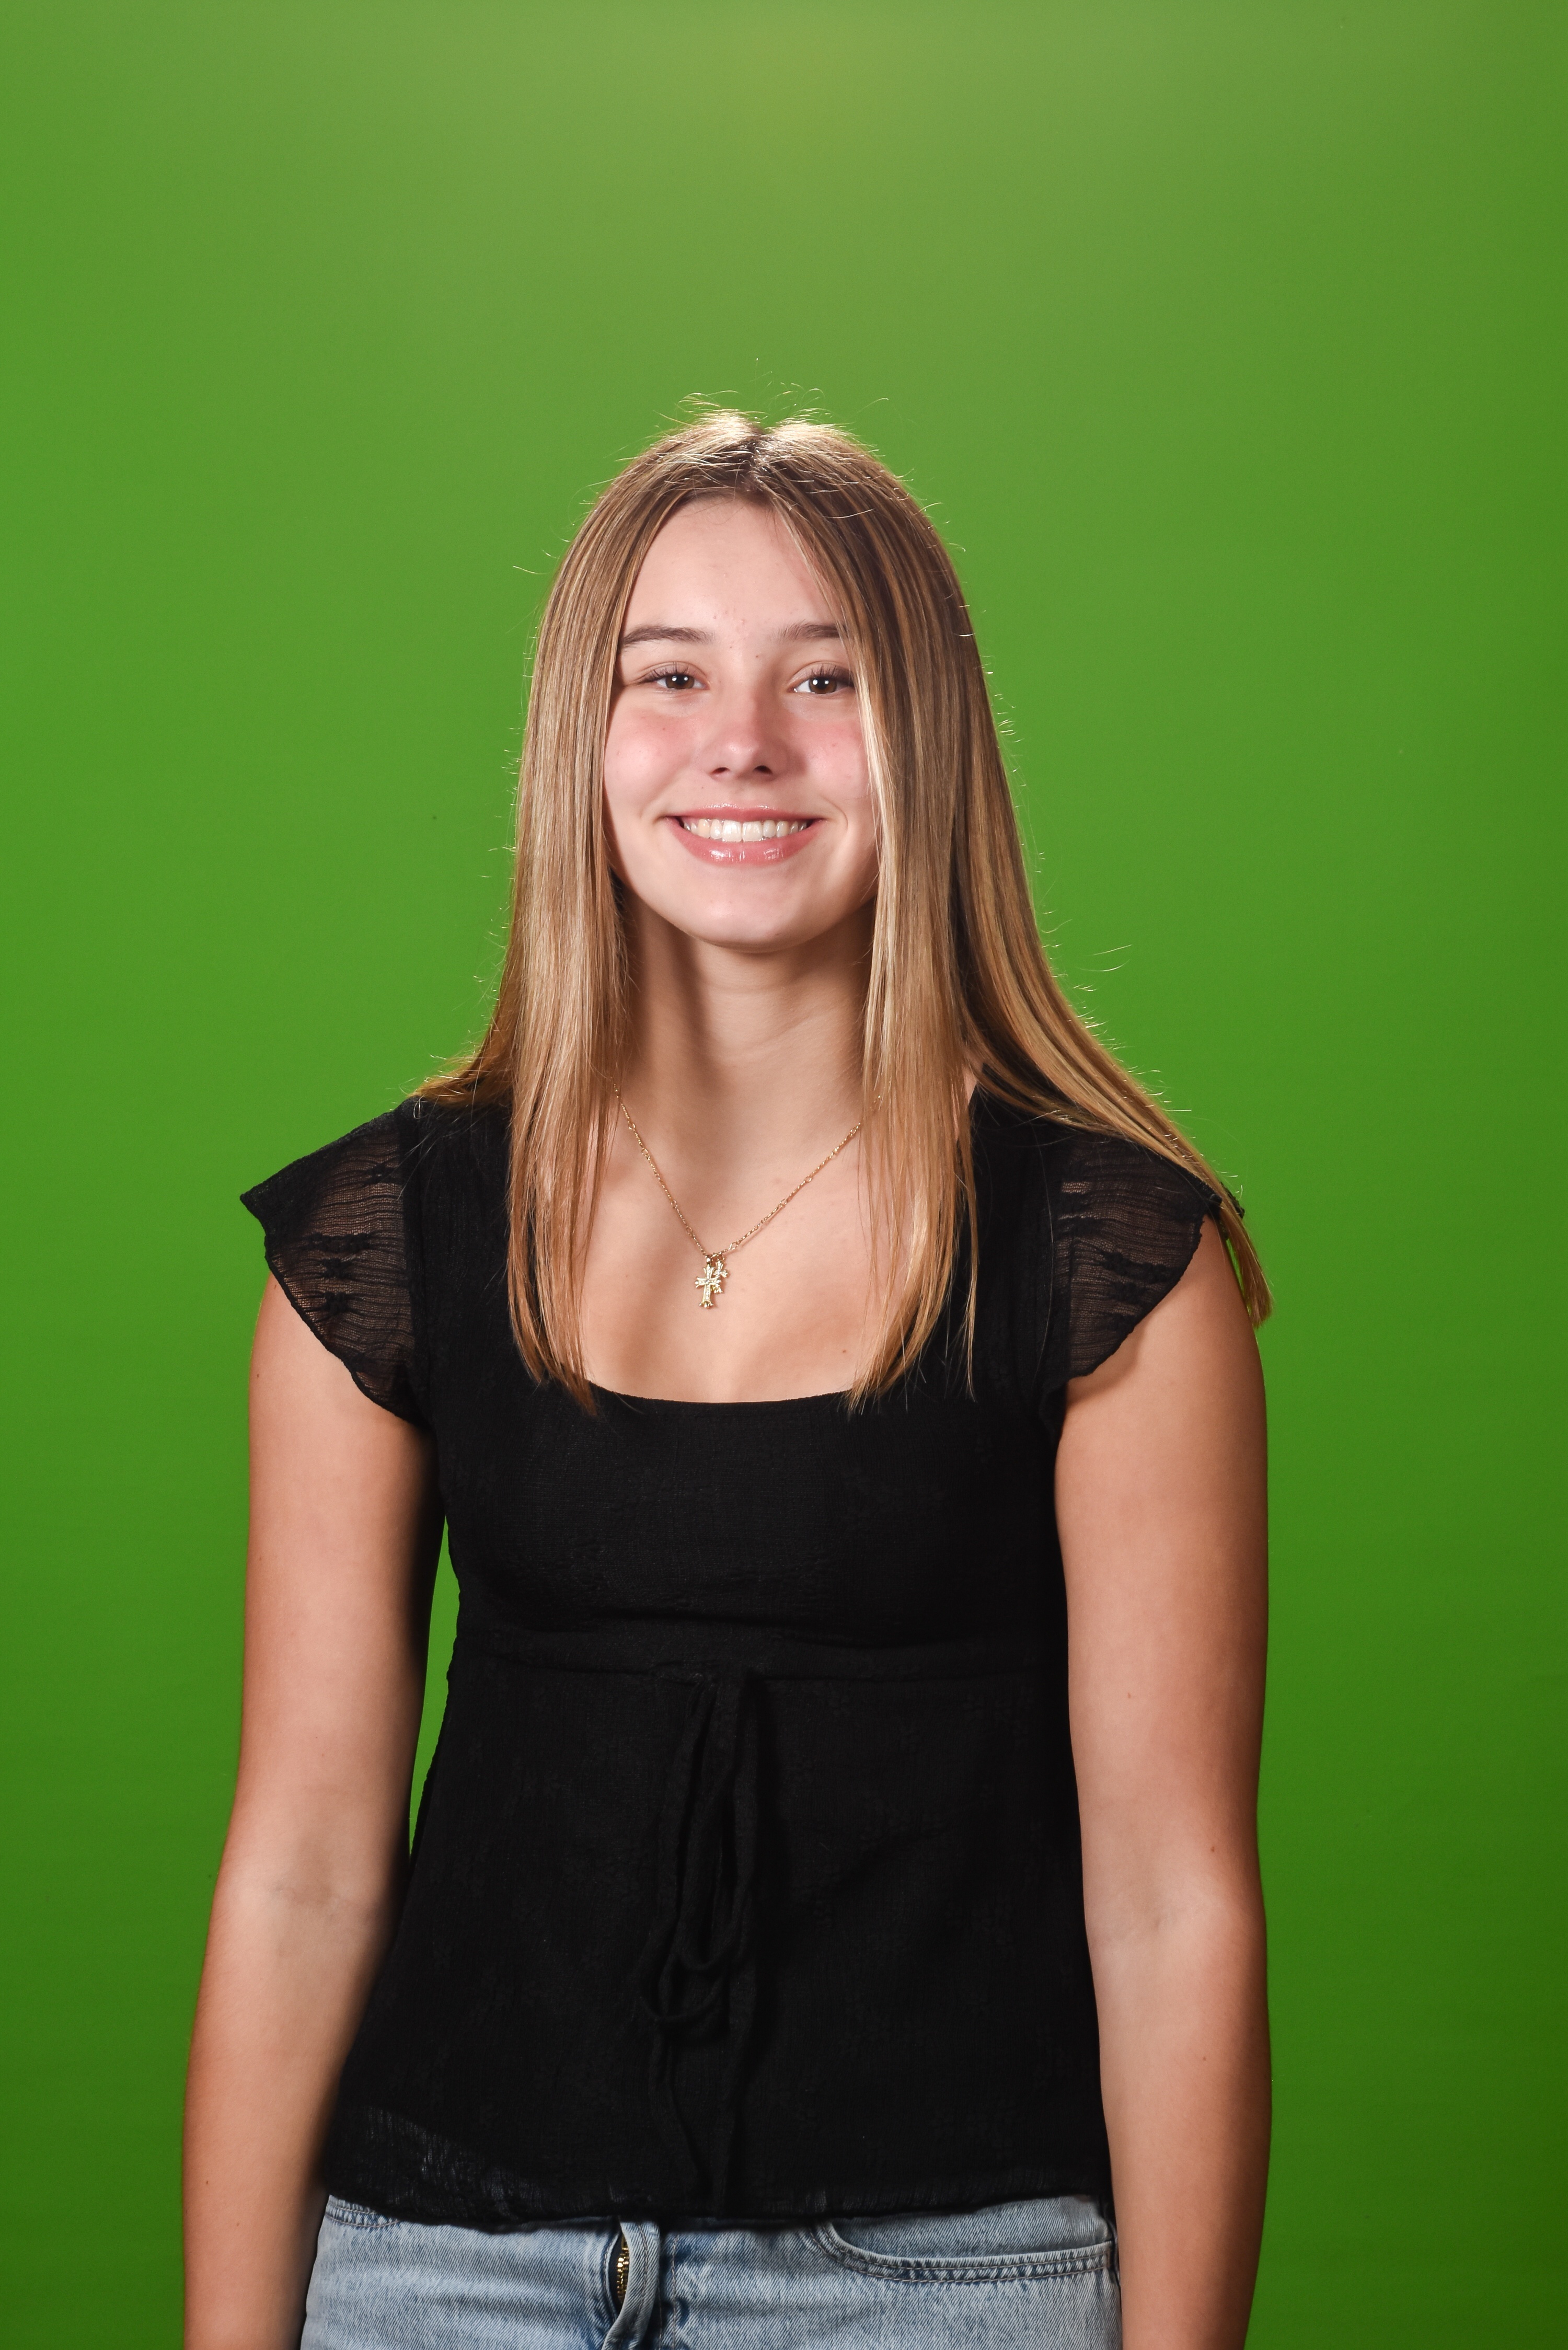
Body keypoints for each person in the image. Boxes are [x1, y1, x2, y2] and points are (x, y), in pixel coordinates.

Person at [183, 412, 1271, 2350]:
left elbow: (1175, 1905)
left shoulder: (1109, 1260)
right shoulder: (387, 1238)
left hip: (945, 2280)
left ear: (931, 740)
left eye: (824, 679)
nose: (743, 742)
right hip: (438, 2269)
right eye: (668, 676)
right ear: (580, 743)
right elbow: (303, 1870)